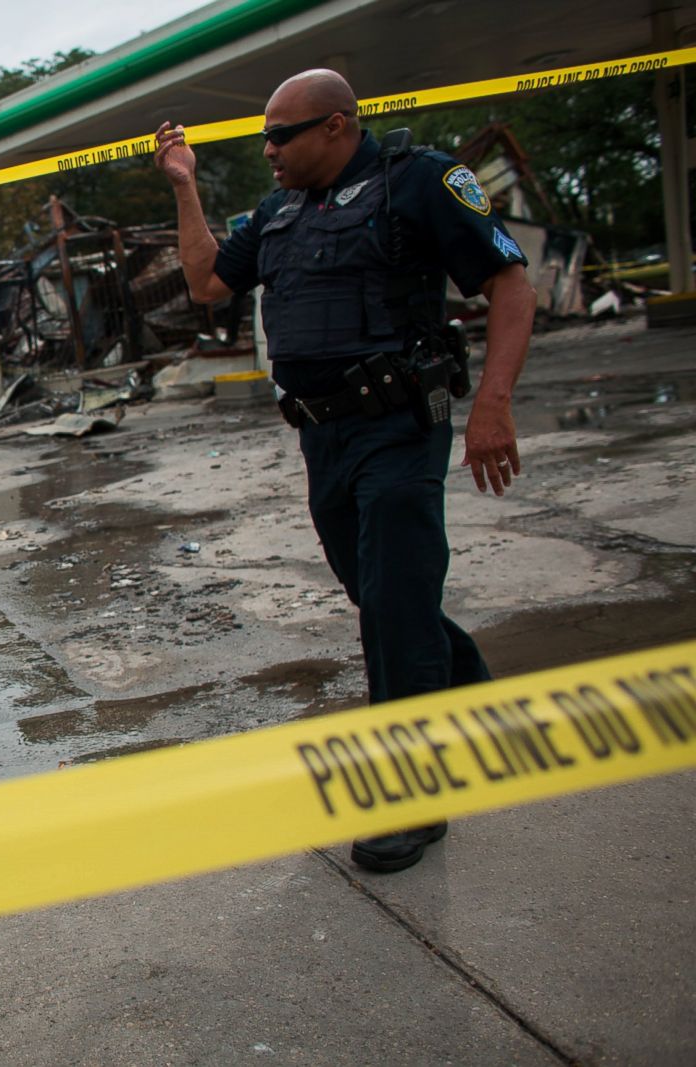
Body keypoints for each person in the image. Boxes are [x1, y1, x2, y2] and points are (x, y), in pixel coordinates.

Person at [154, 71, 536, 873]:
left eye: (281, 135)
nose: (268, 151)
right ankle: (469, 688)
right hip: (323, 437)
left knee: (392, 609)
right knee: (377, 590)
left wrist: (494, 405)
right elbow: (206, 282)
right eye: (264, 136)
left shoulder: (421, 181)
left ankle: (412, 795)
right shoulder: (279, 211)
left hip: (401, 425)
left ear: (335, 126)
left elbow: (509, 283)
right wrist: (185, 187)